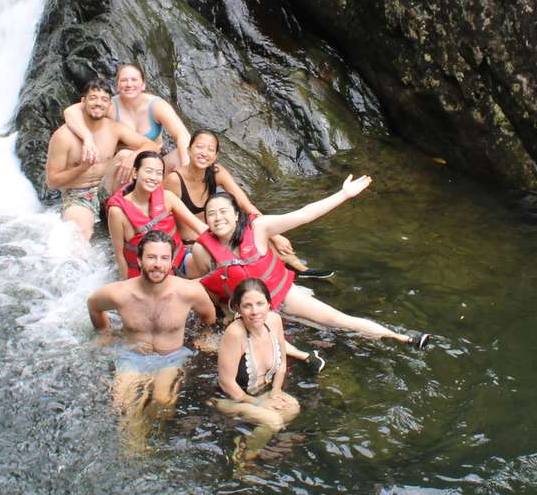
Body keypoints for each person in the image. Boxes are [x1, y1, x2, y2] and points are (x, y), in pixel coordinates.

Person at [185, 180, 425, 345]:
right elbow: (209, 288)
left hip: (283, 296)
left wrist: (343, 194)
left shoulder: (258, 227)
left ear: (237, 214)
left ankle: (402, 339)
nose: (218, 218)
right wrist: (224, 316)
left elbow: (303, 214)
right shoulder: (202, 250)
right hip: (247, 309)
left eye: (223, 212)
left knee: (335, 319)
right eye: (212, 214)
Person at [86, 230, 217, 449]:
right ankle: (135, 451)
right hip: (132, 356)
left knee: (163, 401)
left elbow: (208, 316)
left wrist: (199, 338)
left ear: (171, 261)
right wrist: (106, 334)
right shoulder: (119, 294)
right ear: (139, 260)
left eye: (164, 258)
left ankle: (154, 441)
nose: (158, 264)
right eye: (151, 257)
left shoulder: (188, 291)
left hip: (172, 356)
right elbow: (93, 305)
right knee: (122, 407)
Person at [166, 130, 307, 271]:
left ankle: (302, 270)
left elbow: (245, 205)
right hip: (194, 246)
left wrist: (274, 235)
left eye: (210, 149)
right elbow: (161, 214)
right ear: (189, 150)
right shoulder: (174, 180)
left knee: (256, 225)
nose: (204, 153)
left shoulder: (216, 172)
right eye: (200, 147)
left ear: (215, 156)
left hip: (219, 234)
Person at [46, 79, 157, 242]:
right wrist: (82, 167)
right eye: (93, 98)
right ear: (83, 102)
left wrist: (133, 156)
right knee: (80, 233)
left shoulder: (114, 128)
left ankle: (131, 210)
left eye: (104, 99)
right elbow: (51, 182)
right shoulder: (63, 136)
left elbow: (151, 146)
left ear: (110, 105)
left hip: (107, 187)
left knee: (126, 154)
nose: (99, 103)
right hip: (78, 195)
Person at [61, 62, 190, 192]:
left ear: (143, 84)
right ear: (117, 85)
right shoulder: (109, 106)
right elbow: (70, 112)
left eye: (134, 80)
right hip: (119, 169)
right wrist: (87, 137)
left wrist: (186, 171)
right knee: (124, 154)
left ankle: (172, 198)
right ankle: (118, 202)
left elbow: (182, 135)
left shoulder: (157, 106)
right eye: (124, 80)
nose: (129, 84)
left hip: (152, 165)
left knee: (183, 155)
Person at [215, 278, 302, 464]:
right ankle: (246, 458)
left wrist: (277, 391)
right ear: (238, 308)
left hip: (263, 392)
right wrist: (257, 404)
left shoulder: (275, 321)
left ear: (269, 304)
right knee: (273, 421)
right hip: (230, 399)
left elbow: (282, 362)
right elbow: (226, 383)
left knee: (293, 406)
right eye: (247, 306)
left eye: (260, 304)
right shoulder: (235, 333)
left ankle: (244, 442)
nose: (255, 311)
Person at [105, 150, 207, 279]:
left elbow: (201, 228)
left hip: (179, 262)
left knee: (205, 253)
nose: (153, 177)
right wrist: (127, 286)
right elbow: (119, 255)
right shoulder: (118, 212)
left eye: (158, 173)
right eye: (148, 171)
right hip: (147, 275)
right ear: (135, 173)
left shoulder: (167, 198)